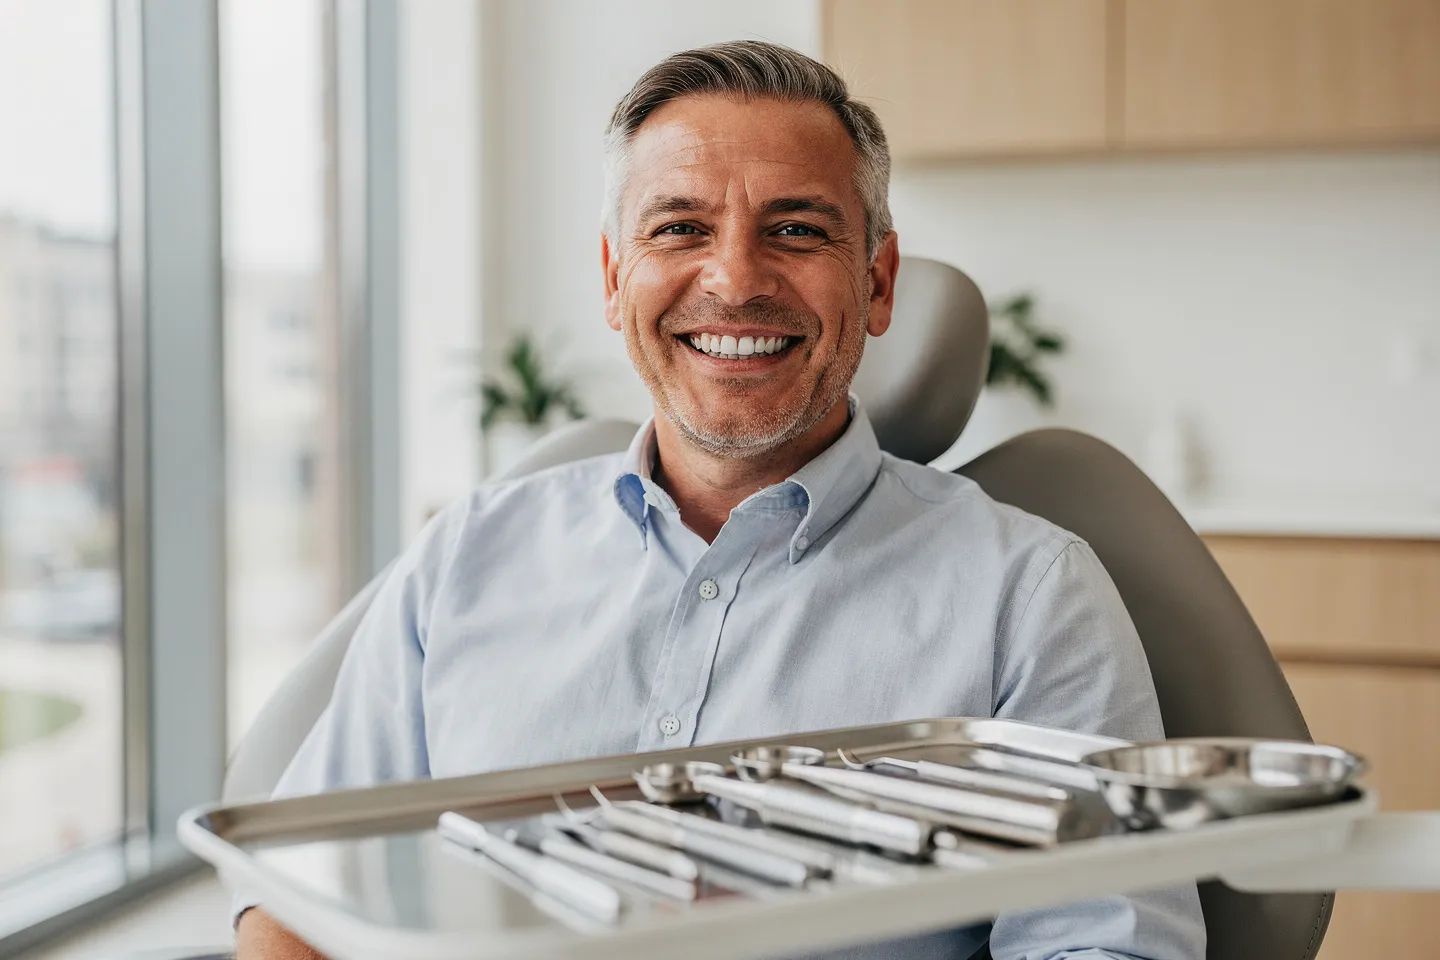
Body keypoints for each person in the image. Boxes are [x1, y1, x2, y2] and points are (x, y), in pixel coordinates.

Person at [236, 41, 1205, 960]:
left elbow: (1103, 942)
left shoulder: (1029, 597)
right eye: (679, 228)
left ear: (876, 280)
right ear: (618, 281)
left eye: (795, 229)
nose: (736, 278)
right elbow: (296, 889)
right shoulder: (467, 555)